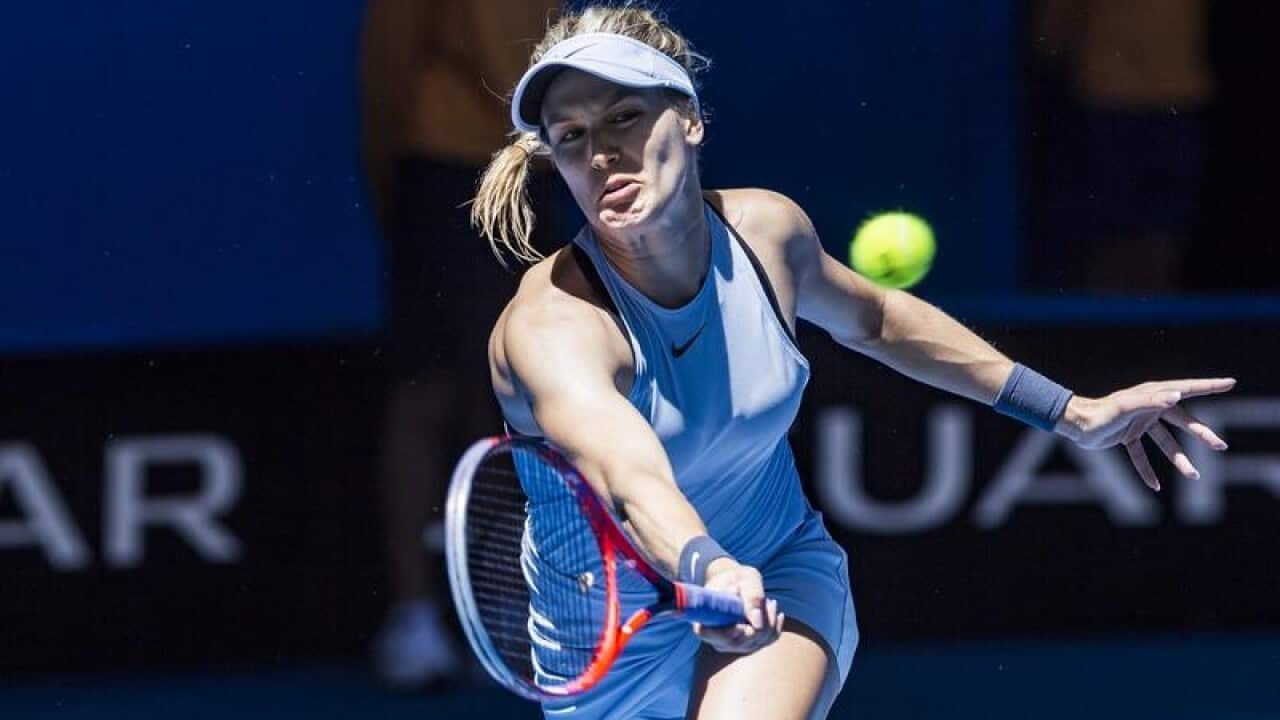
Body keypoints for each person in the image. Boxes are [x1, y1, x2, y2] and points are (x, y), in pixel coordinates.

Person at [472, 6, 1236, 718]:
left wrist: (1068, 410)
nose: (602, 153)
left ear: (692, 121)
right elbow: (629, 478)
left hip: (774, 567)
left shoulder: (768, 234)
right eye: (570, 136)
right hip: (611, 640)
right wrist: (704, 569)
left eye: (625, 117)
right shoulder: (552, 330)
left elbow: (877, 319)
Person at [359, 0, 561, 689]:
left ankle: (515, 598)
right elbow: (387, 68)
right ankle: (414, 616)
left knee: (516, 398)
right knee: (428, 390)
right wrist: (400, 182)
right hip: (445, 173)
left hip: (539, 174)